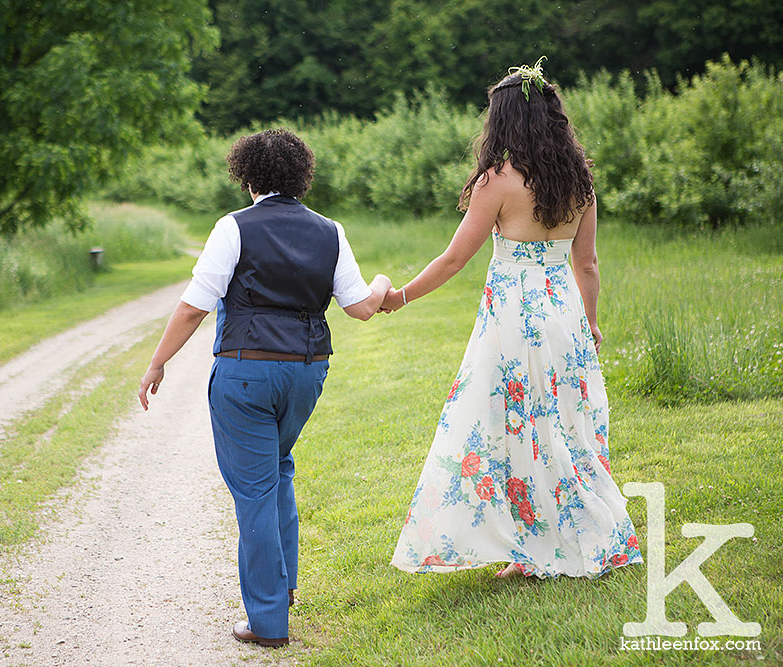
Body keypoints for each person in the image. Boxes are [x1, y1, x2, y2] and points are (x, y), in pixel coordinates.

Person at [383, 59, 643, 579]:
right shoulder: (580, 180)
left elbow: (455, 259)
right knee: (563, 425)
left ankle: (535, 550)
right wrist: (589, 323)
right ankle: (572, 533)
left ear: (502, 121)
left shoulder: (497, 181)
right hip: (563, 314)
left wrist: (401, 297)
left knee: (515, 425)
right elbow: (586, 263)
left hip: (513, 316)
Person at [138, 128, 390, 646]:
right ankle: (284, 587)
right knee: (276, 468)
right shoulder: (331, 231)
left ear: (248, 176)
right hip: (306, 371)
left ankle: (268, 622)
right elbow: (362, 306)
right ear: (301, 176)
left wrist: (158, 363)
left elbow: (193, 307)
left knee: (253, 488)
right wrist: (386, 286)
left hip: (246, 371)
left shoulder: (233, 228)